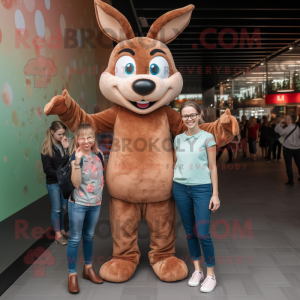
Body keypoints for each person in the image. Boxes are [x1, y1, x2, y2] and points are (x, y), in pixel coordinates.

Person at [173, 101, 220, 293]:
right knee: (189, 232)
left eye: (193, 115)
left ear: (199, 115)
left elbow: (213, 167)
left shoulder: (208, 138)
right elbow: (177, 162)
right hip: (180, 188)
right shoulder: (178, 139)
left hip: (202, 189)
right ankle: (197, 270)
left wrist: (215, 194)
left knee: (202, 232)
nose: (189, 119)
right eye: (185, 116)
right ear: (181, 118)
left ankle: (211, 275)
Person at [67, 123, 104, 294]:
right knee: (75, 238)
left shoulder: (99, 155)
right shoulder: (75, 156)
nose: (86, 140)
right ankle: (72, 275)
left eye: (90, 137)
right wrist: (77, 163)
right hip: (78, 203)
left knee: (89, 236)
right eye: (82, 137)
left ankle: (88, 268)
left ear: (94, 138)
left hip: (95, 203)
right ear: (77, 139)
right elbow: (75, 183)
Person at [41, 121, 70, 246]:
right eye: (59, 134)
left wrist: (66, 148)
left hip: (63, 182)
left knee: (64, 208)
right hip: (53, 183)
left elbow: (68, 162)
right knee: (57, 209)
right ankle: (57, 235)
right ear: (52, 132)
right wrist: (61, 174)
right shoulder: (46, 148)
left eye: (63, 134)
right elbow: (47, 170)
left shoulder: (63, 145)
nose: (62, 137)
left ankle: (62, 230)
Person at [275, 115, 300, 186]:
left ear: (289, 120)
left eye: (286, 119)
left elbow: (277, 130)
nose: (284, 119)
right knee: (299, 163)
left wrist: (280, 122)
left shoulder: (286, 129)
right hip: (297, 148)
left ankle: (291, 180)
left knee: (288, 165)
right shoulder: (297, 127)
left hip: (288, 148)